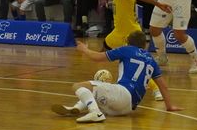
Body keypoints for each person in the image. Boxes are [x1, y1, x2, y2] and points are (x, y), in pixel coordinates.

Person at [51, 30, 182, 123]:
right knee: (95, 93)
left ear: (128, 42)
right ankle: (77, 108)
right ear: (144, 45)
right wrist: (169, 106)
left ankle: (94, 112)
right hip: (129, 107)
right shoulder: (151, 59)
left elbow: (97, 57)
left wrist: (84, 49)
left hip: (123, 94)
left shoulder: (126, 50)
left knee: (78, 86)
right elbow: (163, 86)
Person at [106, 0, 172, 100]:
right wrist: (159, 4)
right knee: (106, 50)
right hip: (118, 32)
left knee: (138, 61)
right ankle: (113, 81)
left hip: (131, 33)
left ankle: (155, 90)